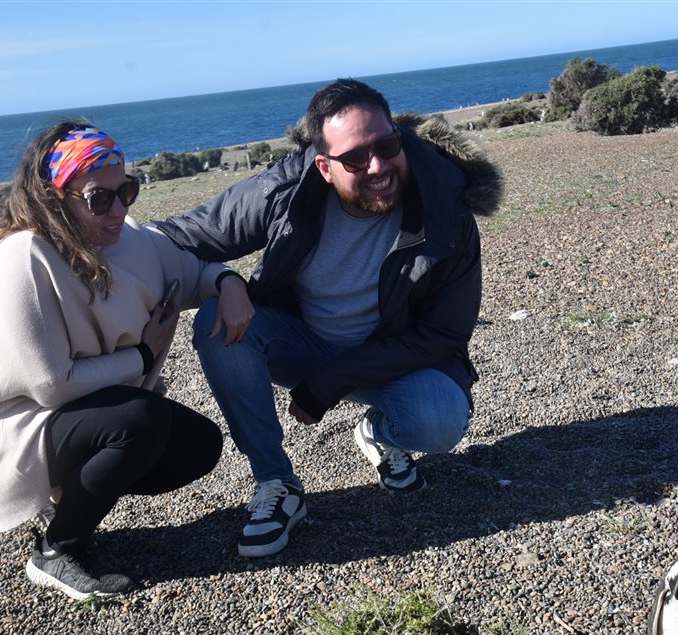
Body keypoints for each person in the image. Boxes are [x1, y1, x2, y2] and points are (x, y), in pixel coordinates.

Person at [155, 78, 503, 559]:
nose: (378, 166)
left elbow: (443, 332)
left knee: (441, 422)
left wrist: (333, 381)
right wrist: (223, 280)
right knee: (219, 319)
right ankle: (276, 484)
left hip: (393, 355)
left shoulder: (445, 204)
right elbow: (189, 235)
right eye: (356, 158)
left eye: (387, 146)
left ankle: (377, 433)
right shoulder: (285, 188)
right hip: (300, 342)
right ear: (323, 165)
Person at [0, 121, 253, 600]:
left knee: (198, 444)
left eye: (127, 192)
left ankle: (77, 511)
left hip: (73, 406)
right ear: (57, 198)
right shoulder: (24, 257)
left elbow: (195, 271)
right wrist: (141, 354)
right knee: (139, 420)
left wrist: (230, 284)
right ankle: (58, 550)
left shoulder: (133, 241)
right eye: (100, 198)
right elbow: (51, 385)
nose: (118, 209)